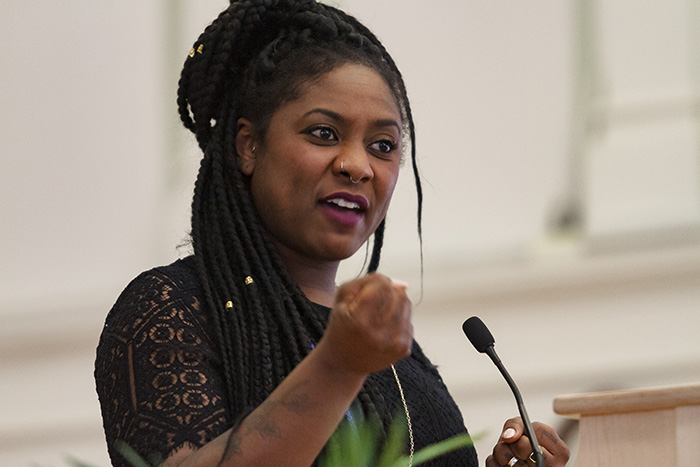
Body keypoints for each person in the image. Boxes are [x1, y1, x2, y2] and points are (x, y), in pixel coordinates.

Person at [94, 1, 570, 466]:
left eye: (383, 145)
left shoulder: (395, 355)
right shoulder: (169, 308)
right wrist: (338, 365)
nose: (357, 165)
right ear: (248, 146)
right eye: (323, 133)